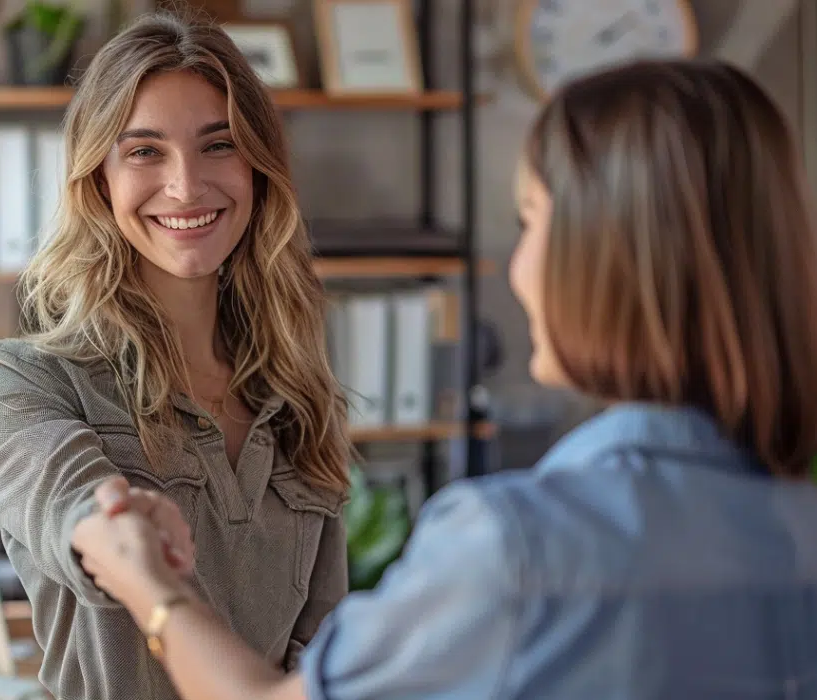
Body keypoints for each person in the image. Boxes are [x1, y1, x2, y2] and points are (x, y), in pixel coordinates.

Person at [70, 58, 817, 699]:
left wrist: (151, 588)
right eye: (144, 152)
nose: (517, 267)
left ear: (605, 260)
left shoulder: (514, 547)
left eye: (529, 220)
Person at [0, 10, 354, 700]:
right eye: (145, 151)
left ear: (259, 168)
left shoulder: (297, 392)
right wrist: (118, 527)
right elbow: (71, 508)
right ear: (100, 179)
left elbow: (322, 646)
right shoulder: (21, 380)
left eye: (219, 145)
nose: (185, 186)